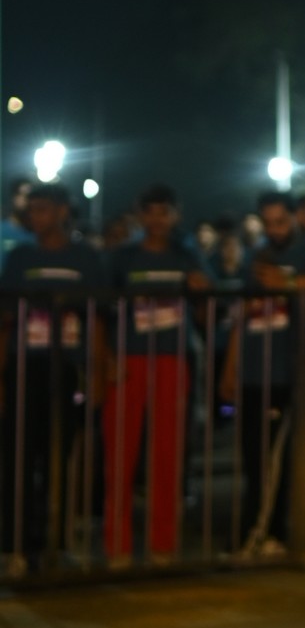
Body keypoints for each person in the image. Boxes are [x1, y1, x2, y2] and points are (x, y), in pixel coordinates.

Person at [226, 190, 305, 555]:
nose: (274, 230)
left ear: (295, 218)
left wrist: (291, 284)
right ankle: (265, 532)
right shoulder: (257, 256)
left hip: (286, 373)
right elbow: (242, 315)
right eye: (268, 223)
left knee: (274, 458)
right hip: (253, 371)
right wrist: (230, 367)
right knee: (255, 458)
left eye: (280, 222)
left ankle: (262, 532)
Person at [101, 184, 209, 565]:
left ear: (176, 215)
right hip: (128, 360)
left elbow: (207, 309)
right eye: (150, 212)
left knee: (168, 452)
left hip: (172, 359)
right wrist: (107, 358)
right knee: (120, 452)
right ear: (139, 215)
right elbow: (102, 311)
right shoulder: (122, 257)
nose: (157, 220)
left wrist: (202, 289)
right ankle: (117, 544)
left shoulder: (187, 255)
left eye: (164, 212)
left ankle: (163, 541)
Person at [0, 183, 105, 571]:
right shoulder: (20, 257)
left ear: (62, 211)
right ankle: (16, 545)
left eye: (42, 208)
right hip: (25, 366)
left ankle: (56, 542)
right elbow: (5, 321)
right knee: (19, 457)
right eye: (31, 209)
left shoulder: (86, 258)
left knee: (60, 455)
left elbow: (98, 319)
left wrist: (98, 371)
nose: (35, 216)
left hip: (67, 369)